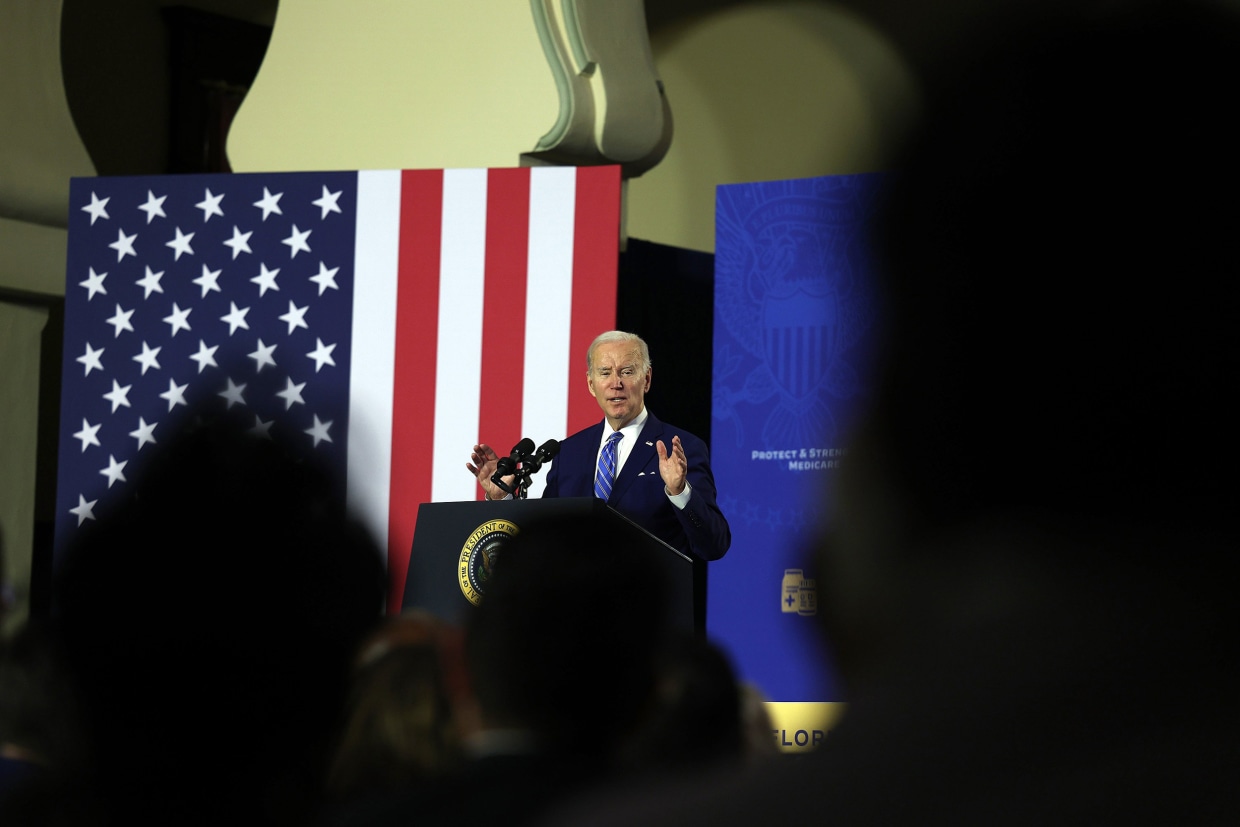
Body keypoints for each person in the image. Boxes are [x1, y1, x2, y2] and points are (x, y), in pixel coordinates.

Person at [466, 331, 730, 561]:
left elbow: (714, 545)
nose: (616, 383)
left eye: (627, 372)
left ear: (646, 380)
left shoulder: (681, 448)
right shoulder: (567, 453)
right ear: (592, 384)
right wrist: (503, 497)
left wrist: (679, 491)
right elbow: (544, 540)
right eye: (605, 373)